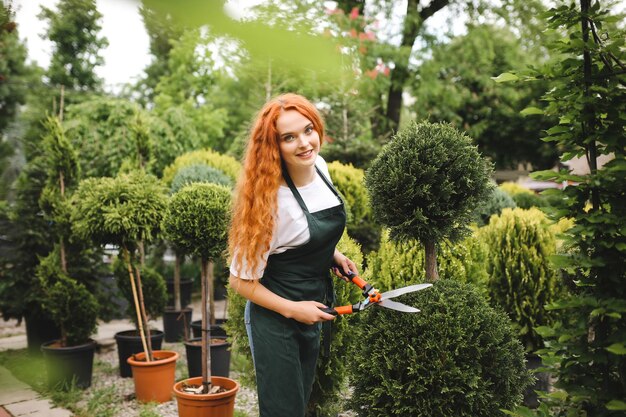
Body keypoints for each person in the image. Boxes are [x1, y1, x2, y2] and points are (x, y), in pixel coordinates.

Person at [228, 93, 358, 417]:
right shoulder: (269, 203)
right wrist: (292, 310)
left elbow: (301, 236)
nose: (304, 143)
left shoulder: (321, 167)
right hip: (275, 316)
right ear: (274, 146)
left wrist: (333, 255)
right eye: (289, 137)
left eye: (308, 129)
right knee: (283, 411)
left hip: (311, 306)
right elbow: (239, 281)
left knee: (298, 407)